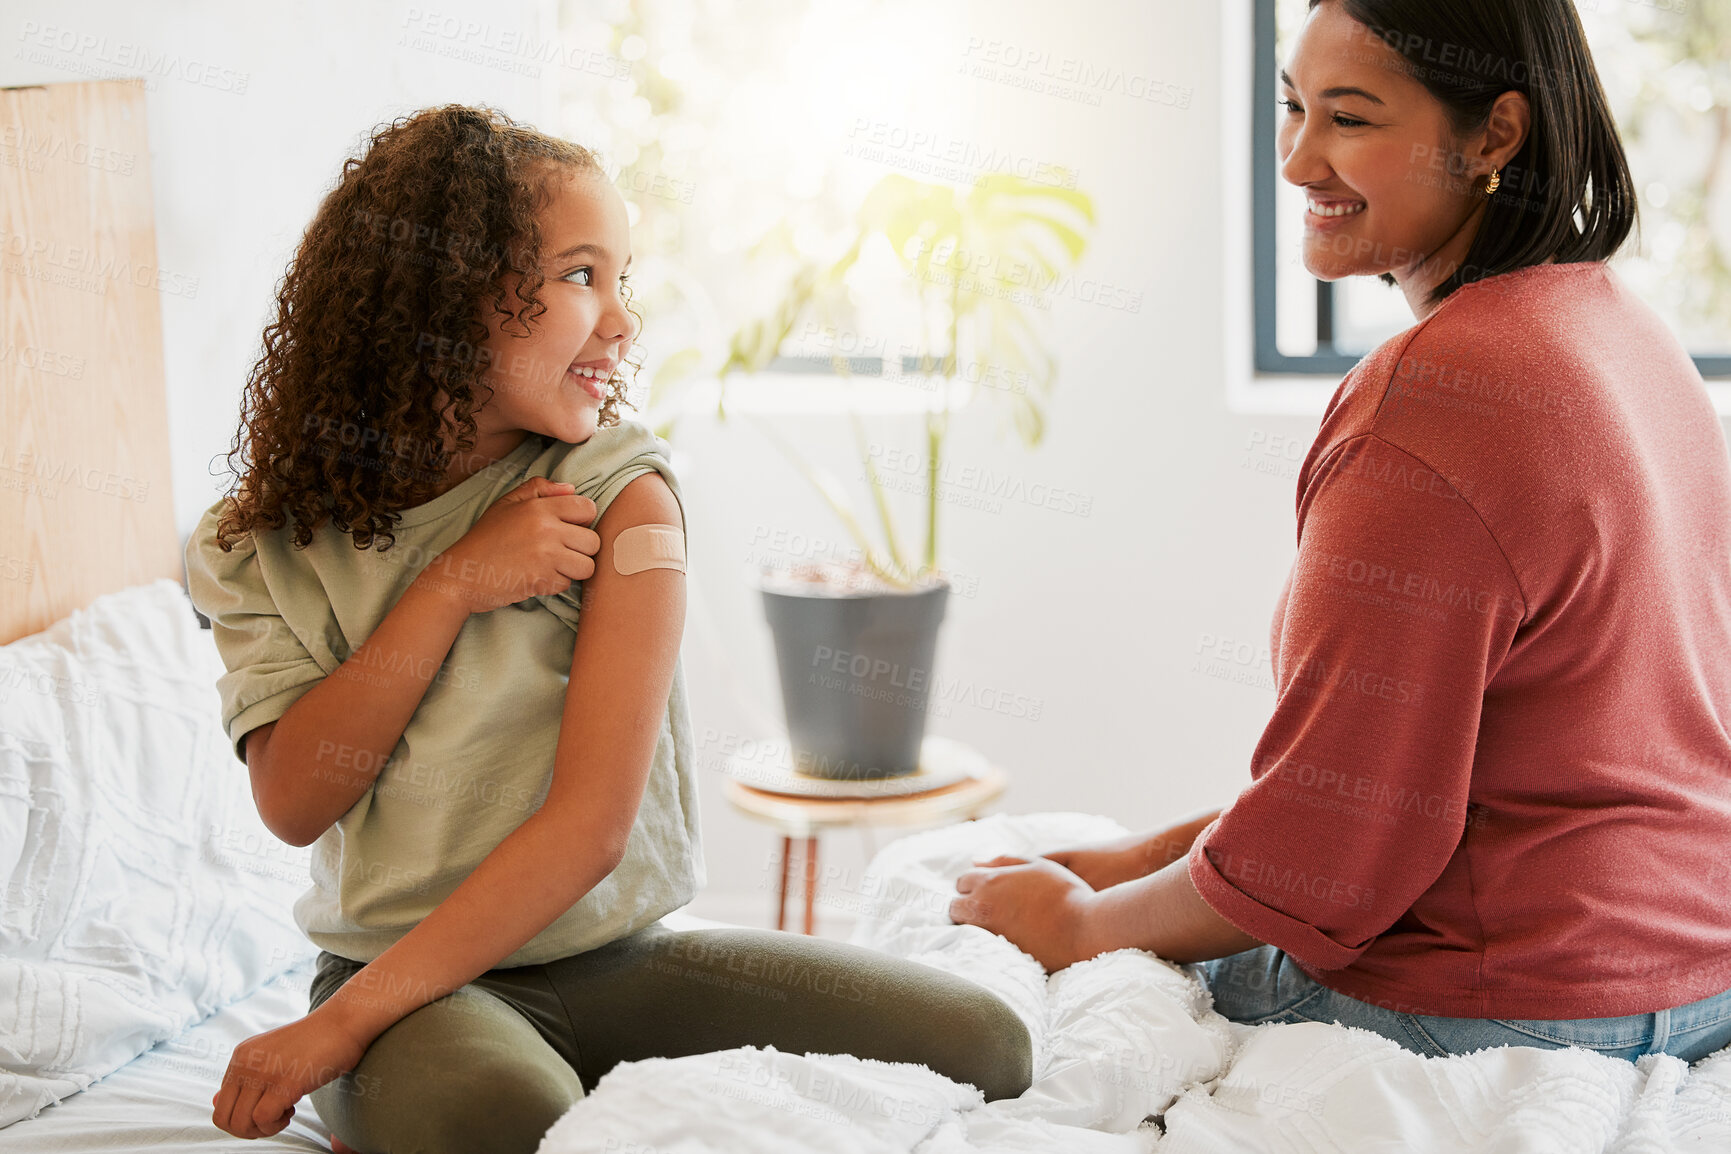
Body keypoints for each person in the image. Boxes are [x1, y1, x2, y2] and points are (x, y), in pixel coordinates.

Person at [185, 105, 1031, 1153]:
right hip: (401, 984)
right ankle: (441, 1076)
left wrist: (333, 1032)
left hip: (612, 959)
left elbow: (592, 828)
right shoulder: (256, 541)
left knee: (989, 1041)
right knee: (501, 1117)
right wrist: (450, 585)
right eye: (582, 275)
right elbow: (295, 798)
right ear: (444, 297)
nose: (623, 321)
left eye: (622, 277)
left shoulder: (623, 493)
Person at [950, 0, 1731, 1064]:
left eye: (1352, 119)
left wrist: (1080, 926)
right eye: (1292, 106)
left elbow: (1328, 856)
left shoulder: (1435, 399)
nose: (1297, 160)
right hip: (1697, 972)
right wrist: (1129, 858)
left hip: (1514, 998)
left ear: (1496, 135)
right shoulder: (1626, 330)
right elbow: (1446, 766)